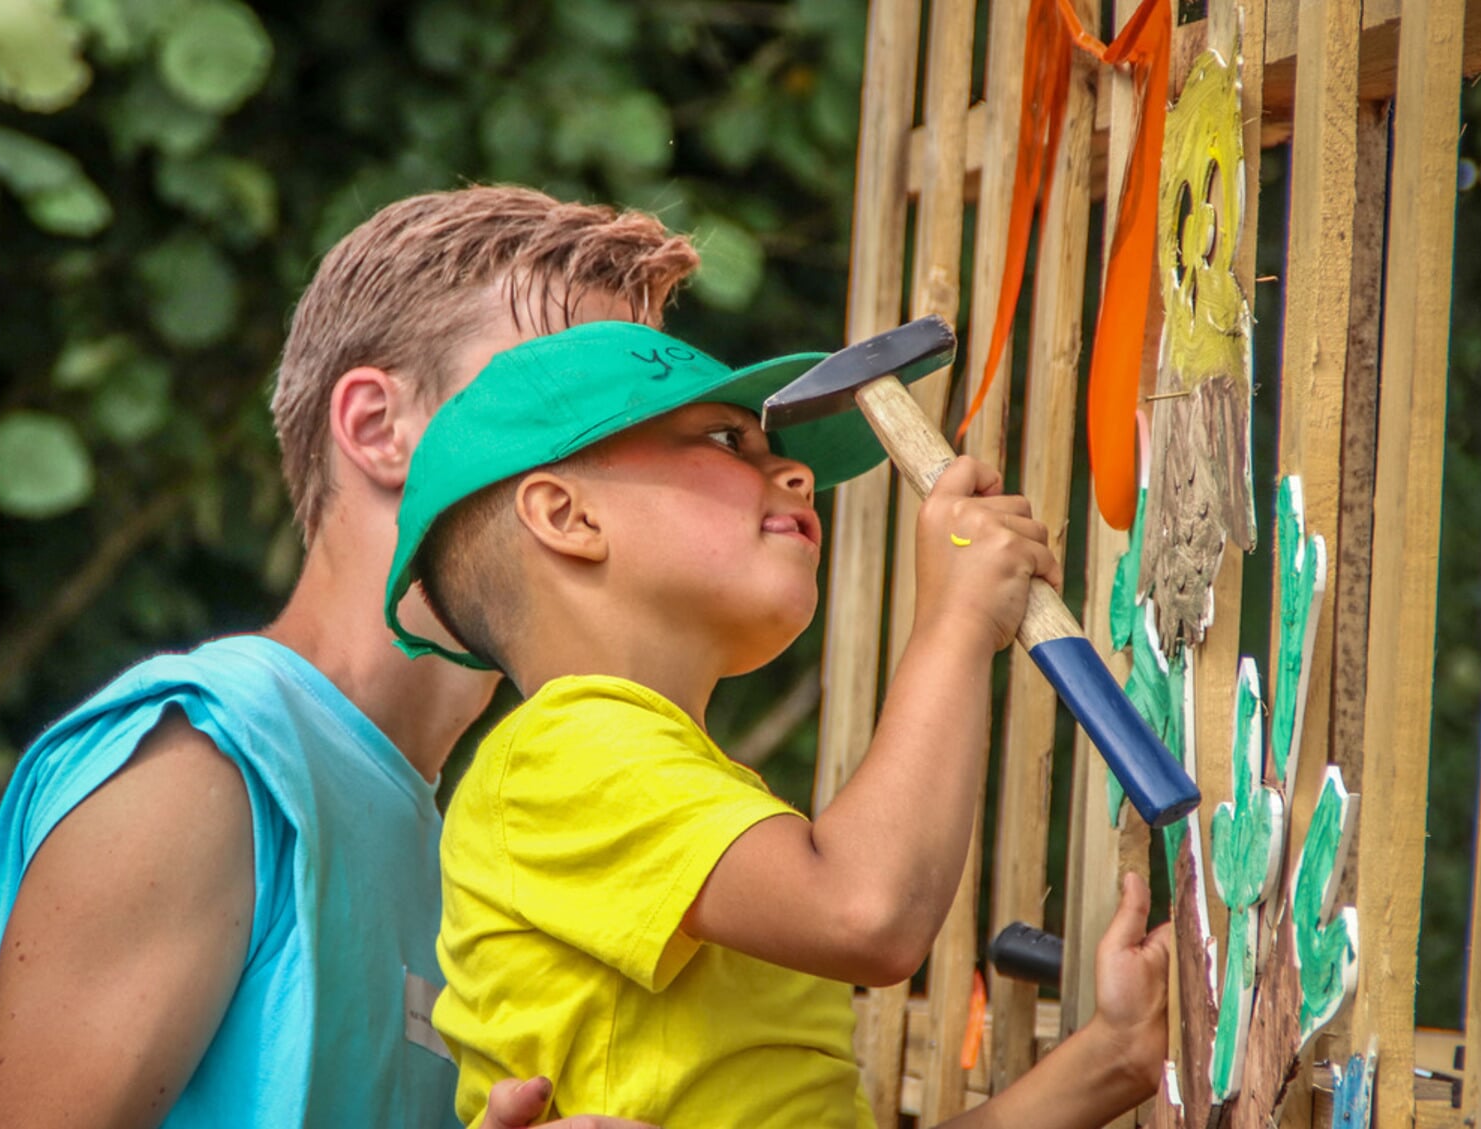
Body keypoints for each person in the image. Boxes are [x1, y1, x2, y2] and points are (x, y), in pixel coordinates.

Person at [0, 186, 697, 1129]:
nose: (634, 465)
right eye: (569, 404)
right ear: (379, 428)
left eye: (648, 426)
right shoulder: (205, 761)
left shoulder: (466, 844)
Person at [386, 321, 1172, 1127]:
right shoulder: (560, 753)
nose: (794, 472)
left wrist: (1112, 1055)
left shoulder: (683, 799)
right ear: (567, 516)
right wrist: (956, 619)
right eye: (728, 440)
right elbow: (867, 910)